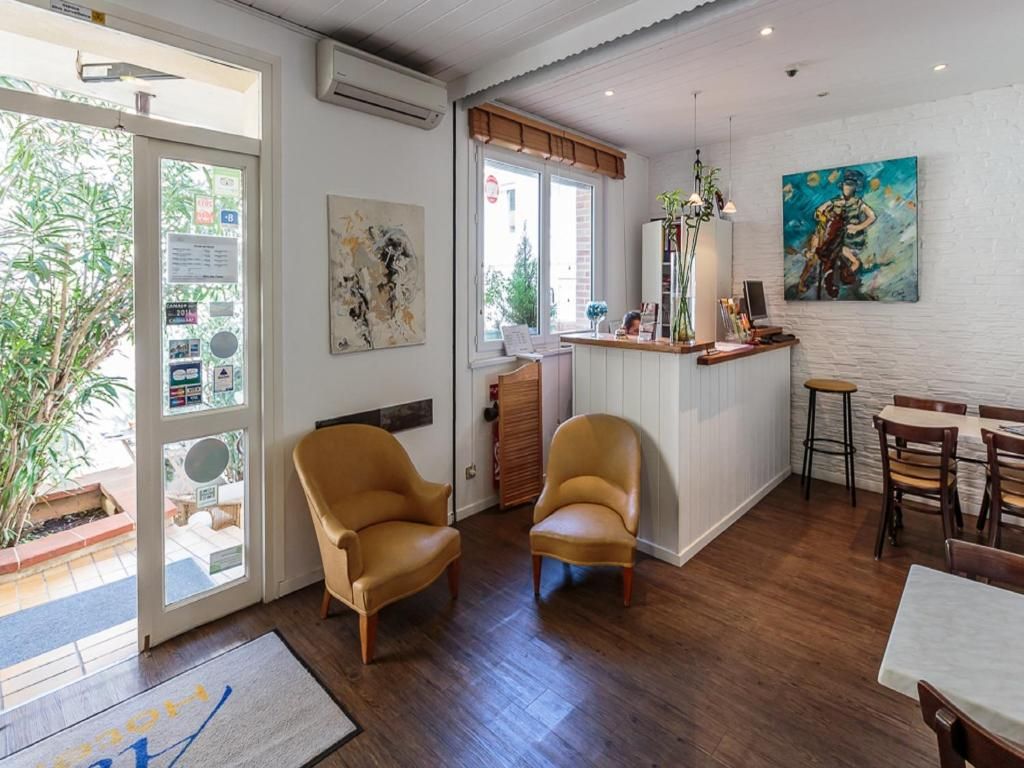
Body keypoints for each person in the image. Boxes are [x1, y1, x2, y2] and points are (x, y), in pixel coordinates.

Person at [797, 168, 877, 297]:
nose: (847, 187)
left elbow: (872, 216)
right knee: (818, 236)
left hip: (849, 240)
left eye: (851, 185)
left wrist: (857, 227)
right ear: (842, 186)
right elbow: (818, 211)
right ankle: (810, 262)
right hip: (834, 235)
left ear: (855, 188)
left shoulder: (858, 203)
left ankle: (843, 274)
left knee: (841, 252)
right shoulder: (835, 201)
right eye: (846, 184)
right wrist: (824, 217)